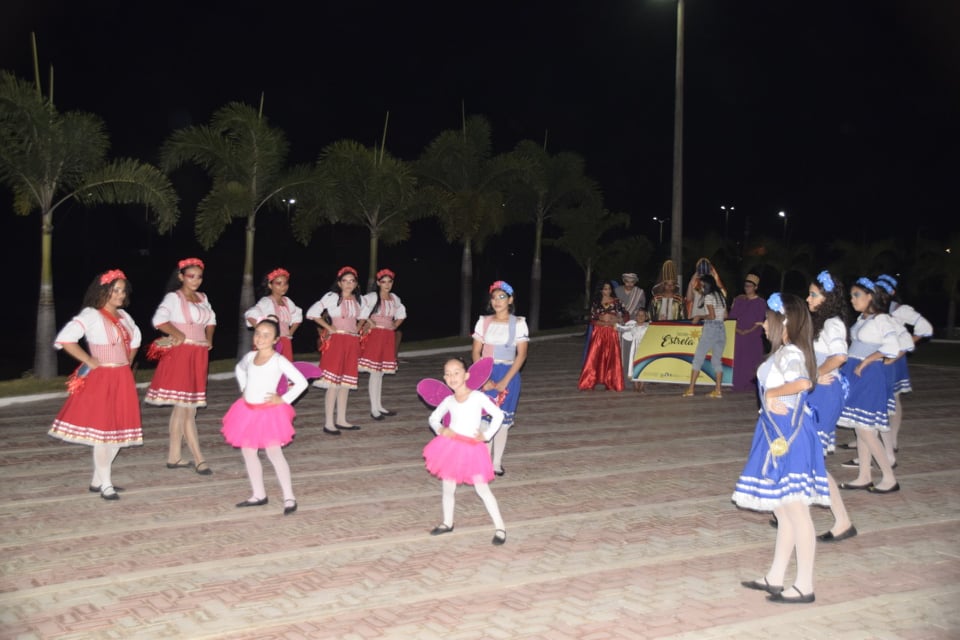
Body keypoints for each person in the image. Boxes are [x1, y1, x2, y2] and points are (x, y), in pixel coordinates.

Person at [732, 293, 829, 604]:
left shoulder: (791, 354)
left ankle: (805, 584)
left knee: (796, 511)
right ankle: (776, 576)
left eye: (768, 318)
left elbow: (803, 383)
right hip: (775, 432)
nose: (763, 324)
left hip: (788, 435)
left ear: (784, 321)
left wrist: (773, 394)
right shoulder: (785, 352)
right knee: (783, 509)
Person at [48, 269, 143, 501]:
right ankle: (106, 484)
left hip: (122, 377)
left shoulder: (125, 317)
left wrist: (127, 363)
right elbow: (65, 339)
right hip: (102, 378)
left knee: (119, 433)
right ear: (103, 291)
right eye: (115, 290)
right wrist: (89, 360)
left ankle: (97, 479)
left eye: (123, 291)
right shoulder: (92, 314)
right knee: (103, 433)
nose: (120, 295)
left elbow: (136, 340)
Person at [221, 318, 308, 515]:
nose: (260, 338)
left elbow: (301, 382)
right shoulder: (250, 357)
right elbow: (239, 369)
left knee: (274, 453)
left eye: (266, 335)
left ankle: (289, 497)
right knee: (248, 452)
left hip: (268, 414)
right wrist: (244, 387)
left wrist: (283, 399)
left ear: (275, 340)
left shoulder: (278, 360)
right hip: (247, 411)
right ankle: (258, 494)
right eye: (258, 333)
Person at [423, 358, 508, 545]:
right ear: (444, 378)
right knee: (448, 487)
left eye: (456, 372)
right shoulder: (448, 400)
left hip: (472, 449)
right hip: (451, 447)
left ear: (466, 375)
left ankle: (500, 527)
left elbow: (498, 415)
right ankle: (447, 522)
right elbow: (433, 418)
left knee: (482, 489)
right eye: (448, 374)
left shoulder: (477, 397)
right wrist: (440, 429)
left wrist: (486, 435)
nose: (452, 377)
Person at [145, 257, 216, 476]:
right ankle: (199, 458)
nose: (195, 280)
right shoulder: (173, 298)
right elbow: (159, 320)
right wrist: (179, 334)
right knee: (187, 409)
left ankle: (174, 456)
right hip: (181, 354)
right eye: (191, 276)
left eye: (199, 276)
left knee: (183, 407)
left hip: (199, 355)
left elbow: (211, 320)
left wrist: (208, 339)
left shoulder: (203, 298)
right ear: (181, 277)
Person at [835, 277, 902, 493]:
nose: (852, 299)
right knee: (860, 427)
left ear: (870, 296)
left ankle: (889, 478)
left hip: (868, 375)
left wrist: (867, 361)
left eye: (857, 295)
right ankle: (864, 476)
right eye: (851, 295)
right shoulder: (863, 318)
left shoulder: (882, 319)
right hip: (854, 373)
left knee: (866, 430)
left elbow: (893, 346)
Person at [805, 270, 857, 542]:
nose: (809, 299)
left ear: (827, 298)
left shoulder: (833, 324)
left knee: (811, 458)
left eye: (813, 294)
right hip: (817, 391)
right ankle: (791, 511)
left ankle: (843, 521)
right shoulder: (822, 322)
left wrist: (814, 374)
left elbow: (839, 357)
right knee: (803, 454)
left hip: (824, 394)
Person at [472, 280, 529, 476]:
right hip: (486, 373)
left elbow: (521, 355)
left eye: (502, 297)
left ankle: (496, 463)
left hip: (508, 374)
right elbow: (476, 352)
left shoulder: (518, 323)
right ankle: (484, 462)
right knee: (485, 420)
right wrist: (483, 378)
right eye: (494, 297)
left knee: (502, 421)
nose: (497, 301)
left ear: (510, 300)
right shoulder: (484, 322)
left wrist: (505, 381)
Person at [306, 266, 371, 435]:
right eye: (345, 281)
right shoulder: (332, 297)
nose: (348, 284)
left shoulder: (359, 300)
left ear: (356, 284)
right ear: (339, 283)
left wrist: (358, 327)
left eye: (352, 281)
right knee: (333, 384)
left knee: (346, 383)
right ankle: (329, 423)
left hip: (352, 342)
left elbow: (364, 315)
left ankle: (341, 419)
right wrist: (329, 328)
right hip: (337, 342)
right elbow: (312, 313)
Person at [876, 273, 932, 465]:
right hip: (877, 355)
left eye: (882, 290)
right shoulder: (875, 309)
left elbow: (925, 328)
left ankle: (892, 440)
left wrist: (904, 346)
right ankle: (868, 438)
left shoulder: (900, 310)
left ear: (892, 292)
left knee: (894, 399)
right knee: (875, 399)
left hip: (894, 358)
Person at [359, 268, 407, 420]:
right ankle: (374, 409)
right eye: (384, 282)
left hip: (387, 336)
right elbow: (359, 307)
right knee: (375, 372)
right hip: (375, 335)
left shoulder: (394, 298)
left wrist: (394, 325)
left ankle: (379, 406)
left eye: (389, 282)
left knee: (380, 372)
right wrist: (370, 322)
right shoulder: (373, 297)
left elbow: (402, 314)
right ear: (378, 283)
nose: (387, 285)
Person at [578, 280, 628, 391]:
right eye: (605, 289)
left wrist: (616, 319)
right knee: (594, 356)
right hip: (599, 332)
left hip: (612, 332)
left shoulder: (617, 302)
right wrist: (602, 322)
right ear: (601, 290)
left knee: (612, 357)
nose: (608, 291)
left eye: (609, 289)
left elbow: (625, 316)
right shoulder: (596, 302)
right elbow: (592, 319)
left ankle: (612, 382)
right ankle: (589, 381)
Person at [682, 274, 727, 398]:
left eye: (702, 285)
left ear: (707, 285)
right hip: (721, 328)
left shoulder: (708, 297)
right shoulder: (721, 297)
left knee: (698, 359)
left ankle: (691, 389)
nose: (701, 287)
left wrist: (699, 317)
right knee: (716, 360)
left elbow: (711, 316)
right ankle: (718, 390)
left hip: (711, 328)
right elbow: (725, 316)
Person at [244, 268, 302, 359]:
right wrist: (263, 332)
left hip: (286, 341)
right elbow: (250, 315)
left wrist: (290, 333)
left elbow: (297, 316)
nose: (283, 286)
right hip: (271, 342)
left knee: (286, 366)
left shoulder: (287, 301)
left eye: (285, 283)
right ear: (270, 285)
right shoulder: (266, 301)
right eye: (278, 283)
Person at [728, 273, 767, 393]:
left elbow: (759, 320)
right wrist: (737, 330)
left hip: (752, 336)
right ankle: (737, 383)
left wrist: (748, 331)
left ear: (755, 287)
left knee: (751, 360)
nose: (747, 288)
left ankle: (750, 384)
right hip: (739, 335)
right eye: (746, 286)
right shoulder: (739, 300)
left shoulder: (760, 302)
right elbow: (732, 317)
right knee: (739, 359)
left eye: (750, 286)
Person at [615, 273, 646, 386]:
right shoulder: (617, 291)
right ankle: (621, 378)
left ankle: (635, 376)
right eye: (627, 281)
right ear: (623, 281)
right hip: (621, 324)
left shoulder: (639, 292)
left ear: (635, 282)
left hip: (635, 326)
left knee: (634, 351)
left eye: (632, 282)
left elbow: (642, 309)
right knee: (621, 351)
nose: (629, 284)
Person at [618, 307, 651, 393]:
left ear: (646, 317)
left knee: (643, 366)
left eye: (643, 315)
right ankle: (636, 385)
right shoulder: (633, 326)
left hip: (644, 349)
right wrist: (616, 325)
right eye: (639, 315)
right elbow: (623, 328)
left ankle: (642, 385)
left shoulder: (648, 326)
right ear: (635, 317)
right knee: (634, 366)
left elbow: (659, 329)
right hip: (635, 349)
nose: (640, 317)